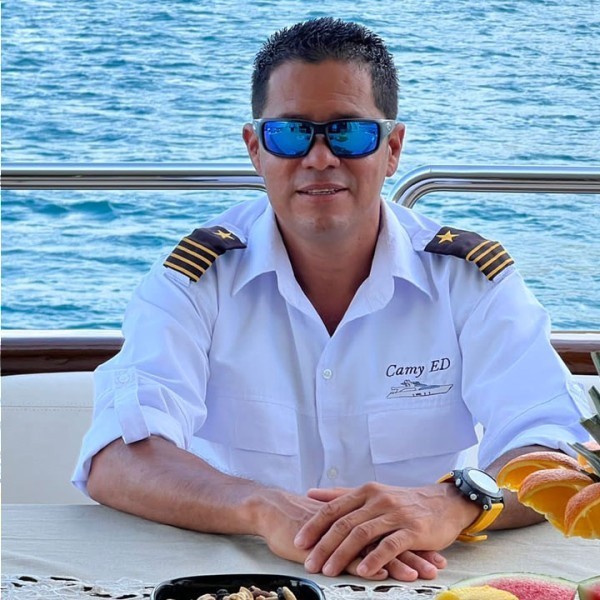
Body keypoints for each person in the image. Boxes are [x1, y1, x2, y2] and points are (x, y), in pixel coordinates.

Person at [74, 17, 590, 582]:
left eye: (349, 133)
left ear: (392, 149)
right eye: (290, 134)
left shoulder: (468, 280)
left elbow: (562, 446)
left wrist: (455, 502)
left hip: (427, 572)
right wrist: (260, 507)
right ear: (256, 149)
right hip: (241, 575)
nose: (319, 158)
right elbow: (117, 455)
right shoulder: (196, 279)